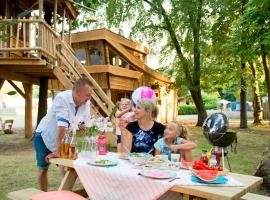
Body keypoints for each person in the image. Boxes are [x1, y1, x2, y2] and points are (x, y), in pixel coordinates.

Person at [33, 78, 93, 191]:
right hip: (44, 136)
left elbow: (85, 126)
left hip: (64, 139)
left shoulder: (86, 102)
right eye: (87, 95)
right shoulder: (62, 98)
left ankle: (64, 193)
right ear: (76, 91)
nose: (89, 98)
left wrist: (86, 146)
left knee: (66, 166)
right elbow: (62, 127)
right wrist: (58, 151)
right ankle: (43, 195)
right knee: (43, 169)